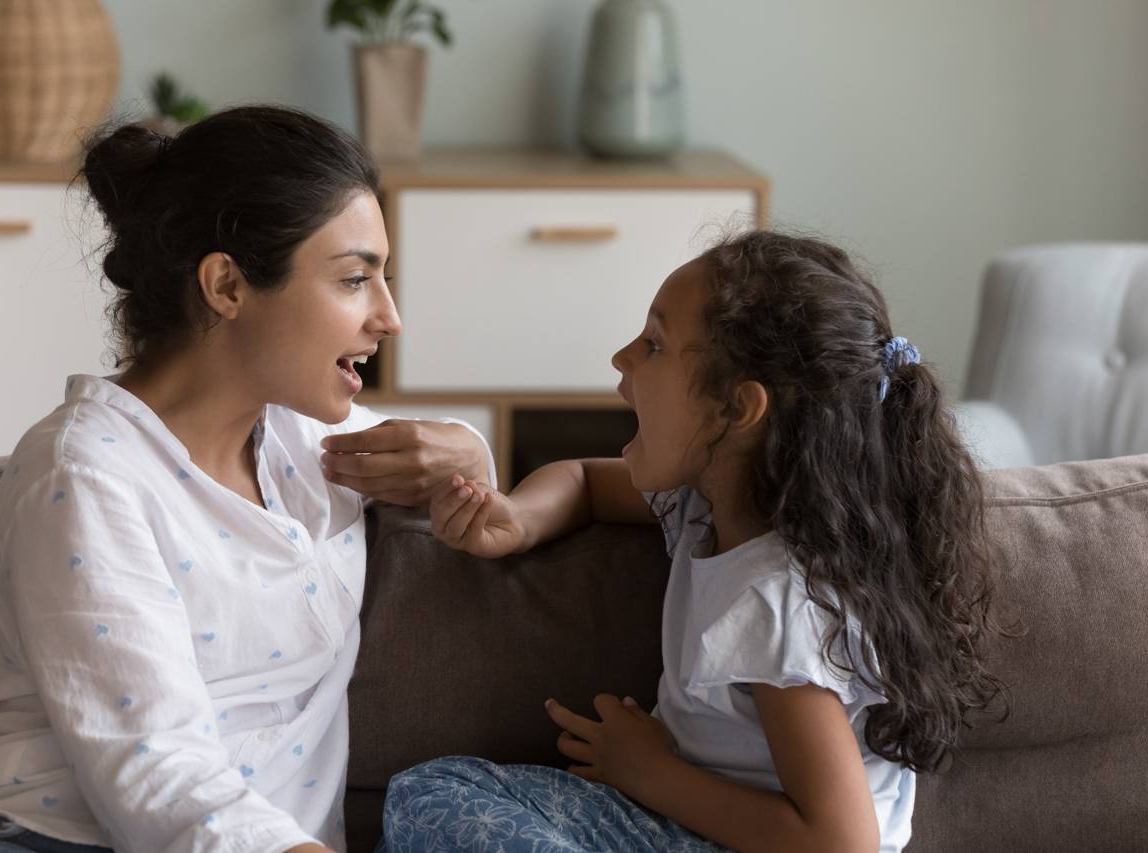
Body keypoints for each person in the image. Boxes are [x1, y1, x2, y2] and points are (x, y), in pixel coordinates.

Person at [0, 105, 493, 853]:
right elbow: (158, 773)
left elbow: (445, 457)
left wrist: (468, 453)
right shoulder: (86, 476)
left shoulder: (308, 444)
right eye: (354, 279)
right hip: (48, 834)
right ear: (227, 285)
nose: (389, 317)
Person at [381, 231, 1007, 853]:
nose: (622, 357)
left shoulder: (776, 603)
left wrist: (648, 773)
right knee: (434, 795)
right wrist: (517, 518)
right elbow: (584, 482)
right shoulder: (703, 507)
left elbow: (840, 843)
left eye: (654, 344)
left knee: (434, 796)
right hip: (682, 829)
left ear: (737, 409)